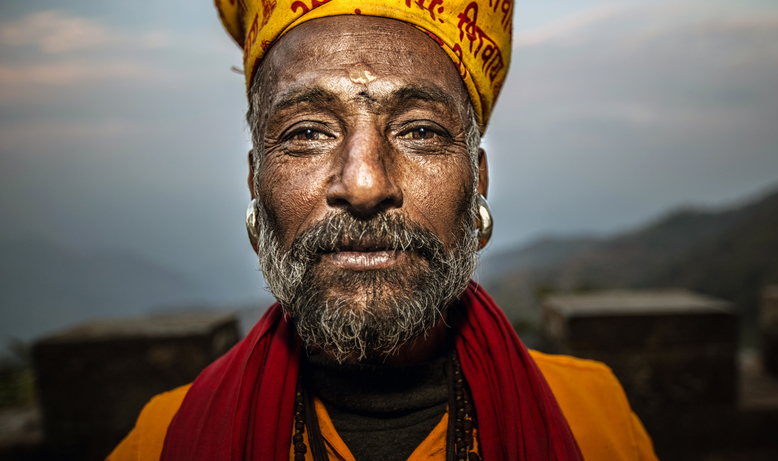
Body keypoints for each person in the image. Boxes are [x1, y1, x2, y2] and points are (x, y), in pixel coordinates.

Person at [108, 1, 658, 460]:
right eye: (306, 133)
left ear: (477, 181)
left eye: (420, 130)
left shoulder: (596, 424)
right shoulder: (160, 441)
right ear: (256, 182)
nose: (366, 183)